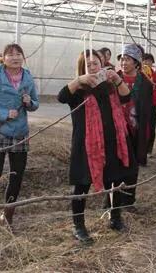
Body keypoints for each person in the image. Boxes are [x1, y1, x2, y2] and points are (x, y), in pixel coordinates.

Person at [58, 49, 136, 242]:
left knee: (115, 181)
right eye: (88, 64)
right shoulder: (79, 89)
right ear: (82, 67)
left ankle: (115, 217)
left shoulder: (109, 85)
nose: (93, 66)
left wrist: (117, 80)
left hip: (112, 142)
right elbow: (61, 97)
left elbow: (127, 97)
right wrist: (79, 81)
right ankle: (78, 226)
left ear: (102, 64)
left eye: (96, 62)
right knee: (82, 185)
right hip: (87, 146)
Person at [0, 43, 39, 228]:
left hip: (20, 133)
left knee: (17, 175)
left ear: (23, 57)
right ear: (3, 58)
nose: (15, 57)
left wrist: (29, 102)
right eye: (10, 54)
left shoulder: (27, 77)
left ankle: (8, 214)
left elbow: (35, 104)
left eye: (19, 54)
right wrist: (3, 113)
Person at [117, 44, 153, 209]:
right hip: (116, 129)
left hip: (135, 129)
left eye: (128, 59)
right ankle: (112, 200)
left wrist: (145, 133)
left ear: (137, 62)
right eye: (122, 59)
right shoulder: (114, 78)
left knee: (132, 167)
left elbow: (147, 110)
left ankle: (129, 201)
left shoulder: (145, 82)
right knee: (115, 166)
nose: (123, 63)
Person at [142, 53, 156, 157]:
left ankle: (149, 150)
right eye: (145, 60)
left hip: (152, 104)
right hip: (141, 104)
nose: (147, 62)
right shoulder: (139, 74)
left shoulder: (155, 75)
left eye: (149, 60)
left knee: (151, 127)